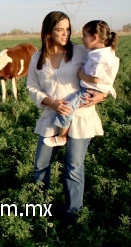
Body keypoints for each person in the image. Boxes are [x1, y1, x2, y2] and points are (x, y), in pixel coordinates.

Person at [26, 11, 107, 219]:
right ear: (48, 31)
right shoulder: (37, 57)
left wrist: (101, 96)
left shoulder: (81, 52)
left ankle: (74, 213)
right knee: (41, 165)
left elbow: (103, 74)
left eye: (68, 29)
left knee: (74, 167)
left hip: (80, 117)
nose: (65, 34)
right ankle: (40, 208)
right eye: (60, 29)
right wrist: (52, 102)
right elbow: (32, 88)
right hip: (50, 117)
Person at [43, 20, 119, 147]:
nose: (82, 38)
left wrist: (81, 75)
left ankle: (62, 136)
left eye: (84, 35)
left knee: (66, 108)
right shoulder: (99, 52)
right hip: (88, 90)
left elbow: (96, 79)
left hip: (87, 92)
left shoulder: (99, 56)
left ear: (95, 37)